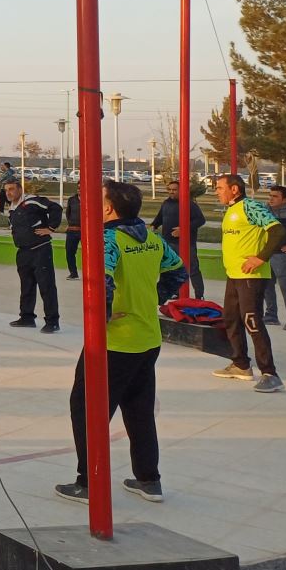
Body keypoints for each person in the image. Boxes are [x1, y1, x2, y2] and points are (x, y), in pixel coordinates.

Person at [55, 180, 185, 506]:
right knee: (139, 409)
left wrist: (103, 316)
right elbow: (178, 271)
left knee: (86, 409)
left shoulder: (106, 240)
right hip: (147, 337)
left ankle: (88, 482)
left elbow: (103, 282)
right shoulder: (150, 237)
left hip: (115, 343)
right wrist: (153, 299)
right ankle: (149, 479)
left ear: (108, 209)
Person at [211, 173, 285, 392]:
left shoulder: (251, 207)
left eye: (219, 188)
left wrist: (261, 258)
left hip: (251, 277)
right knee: (231, 318)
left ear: (234, 189)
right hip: (234, 275)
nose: (216, 192)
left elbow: (278, 231)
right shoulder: (231, 210)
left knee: (252, 321)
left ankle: (270, 373)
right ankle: (241, 365)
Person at [6, 180, 62, 333]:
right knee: (27, 286)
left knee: (46, 286)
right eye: (6, 190)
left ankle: (52, 321)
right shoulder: (12, 209)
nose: (8, 192)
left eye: (11, 189)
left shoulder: (32, 201)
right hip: (23, 252)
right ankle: (27, 317)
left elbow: (56, 208)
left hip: (40, 250)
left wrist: (51, 228)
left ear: (20, 189)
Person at [149, 184, 207, 297]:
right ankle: (175, 293)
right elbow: (160, 218)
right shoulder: (166, 203)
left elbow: (200, 220)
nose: (171, 192)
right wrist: (153, 226)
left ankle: (199, 295)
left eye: (174, 190)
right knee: (171, 269)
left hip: (186, 243)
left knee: (192, 269)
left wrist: (183, 229)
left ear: (181, 190)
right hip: (168, 243)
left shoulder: (189, 204)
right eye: (169, 189)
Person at [262, 185, 286, 330]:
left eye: (275, 196)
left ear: (285, 199)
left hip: (282, 256)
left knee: (285, 287)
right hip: (266, 254)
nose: (271, 199)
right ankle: (271, 315)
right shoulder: (265, 210)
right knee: (267, 285)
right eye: (270, 196)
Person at [63, 191, 82, 281]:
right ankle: (73, 273)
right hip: (72, 230)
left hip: (85, 230)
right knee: (69, 252)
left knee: (89, 253)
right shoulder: (72, 200)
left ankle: (92, 273)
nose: (79, 190)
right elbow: (68, 213)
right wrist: (71, 223)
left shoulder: (89, 199)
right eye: (78, 187)